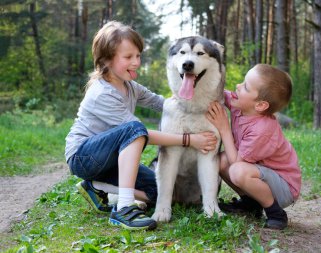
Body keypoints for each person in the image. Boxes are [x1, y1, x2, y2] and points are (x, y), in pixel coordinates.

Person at [65, 21, 217, 231]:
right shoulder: (102, 93)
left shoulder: (130, 86)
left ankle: (95, 185)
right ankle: (124, 209)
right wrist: (189, 139)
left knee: (161, 192)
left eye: (138, 56)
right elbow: (141, 134)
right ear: (106, 60)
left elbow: (163, 103)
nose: (136, 62)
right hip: (84, 157)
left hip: (109, 160)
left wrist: (203, 102)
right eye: (128, 57)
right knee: (135, 130)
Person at [206, 64, 301, 230]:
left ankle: (275, 212)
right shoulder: (241, 105)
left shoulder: (262, 129)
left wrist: (224, 129)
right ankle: (251, 205)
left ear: (260, 105)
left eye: (246, 87)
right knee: (220, 161)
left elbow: (236, 163)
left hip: (284, 187)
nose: (238, 86)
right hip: (260, 174)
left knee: (237, 171)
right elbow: (217, 94)